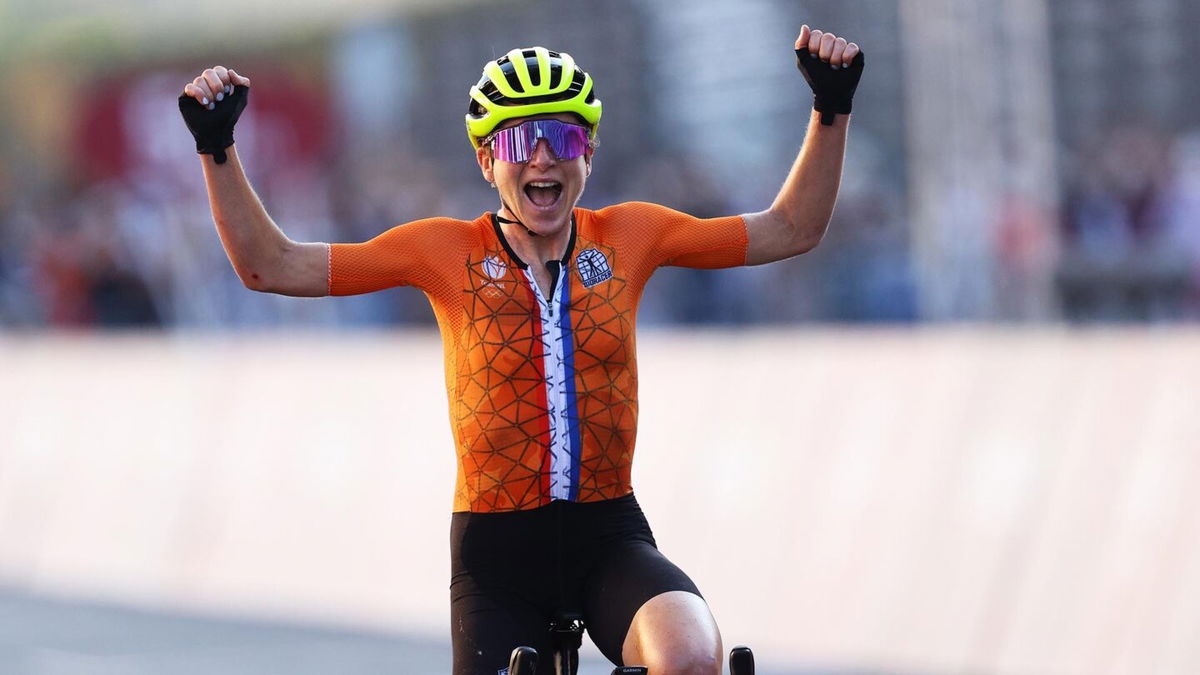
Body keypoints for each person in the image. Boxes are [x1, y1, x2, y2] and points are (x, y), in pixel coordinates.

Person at [179, 25, 863, 675]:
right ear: (486, 160)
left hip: (609, 534)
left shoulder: (632, 235)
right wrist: (218, 149)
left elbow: (790, 229)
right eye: (519, 142)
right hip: (495, 551)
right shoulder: (442, 250)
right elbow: (272, 265)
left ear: (587, 153)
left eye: (562, 136)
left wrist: (829, 108)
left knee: (689, 653)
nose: (543, 158)